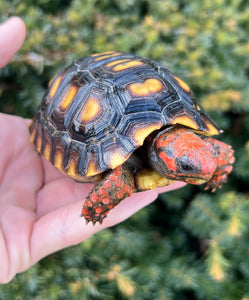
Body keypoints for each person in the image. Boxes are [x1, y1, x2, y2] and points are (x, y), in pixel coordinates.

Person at [0, 17, 185, 284]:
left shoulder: (182, 142)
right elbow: (119, 172)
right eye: (185, 166)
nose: (194, 172)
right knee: (122, 177)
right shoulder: (124, 169)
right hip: (79, 106)